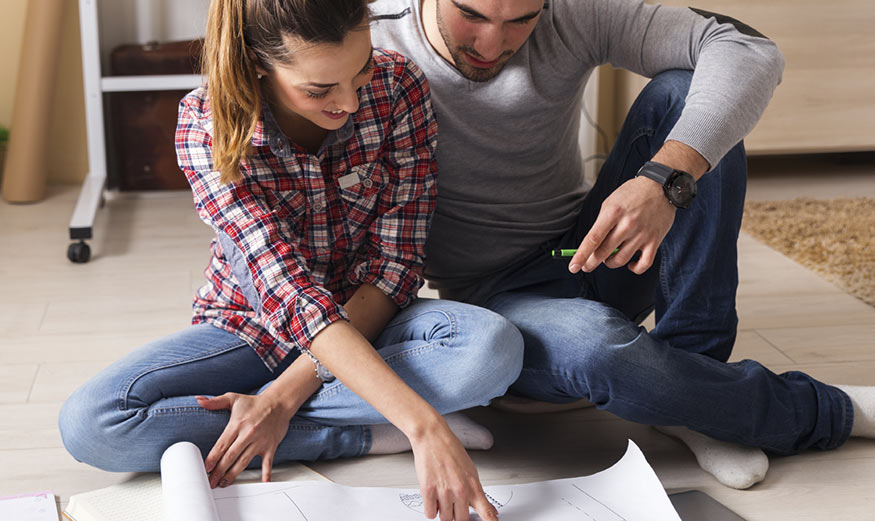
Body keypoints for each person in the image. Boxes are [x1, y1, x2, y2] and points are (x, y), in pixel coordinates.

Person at [368, 0, 875, 490]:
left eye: (521, 20)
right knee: (594, 348)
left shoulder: (570, 13)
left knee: (687, 92)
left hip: (589, 248)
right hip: (493, 301)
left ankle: (695, 384)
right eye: (472, 15)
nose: (493, 42)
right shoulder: (372, 38)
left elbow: (748, 48)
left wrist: (664, 177)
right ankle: (827, 410)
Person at [58, 1, 525, 520]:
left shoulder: (397, 86)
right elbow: (290, 296)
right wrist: (424, 425)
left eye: (361, 68)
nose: (349, 100)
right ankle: (364, 432)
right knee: (93, 423)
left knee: (491, 348)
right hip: (253, 330)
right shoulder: (205, 124)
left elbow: (395, 268)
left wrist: (280, 400)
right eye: (319, 89)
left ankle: (282, 413)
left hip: (373, 319)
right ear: (259, 63)